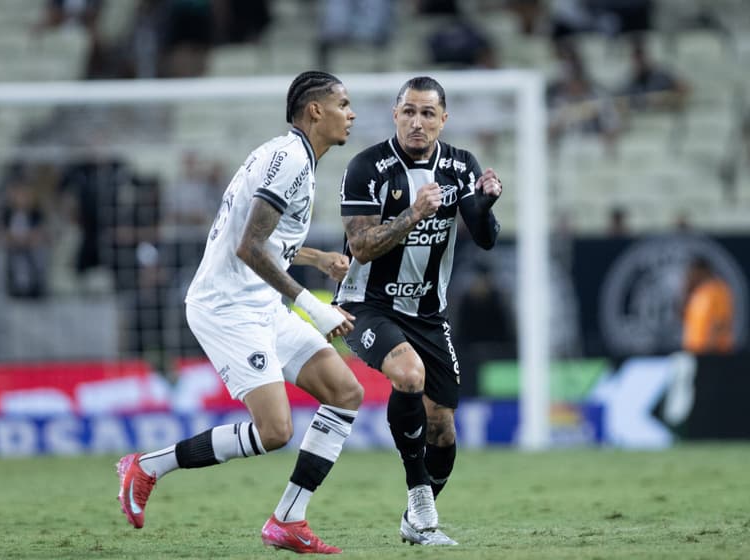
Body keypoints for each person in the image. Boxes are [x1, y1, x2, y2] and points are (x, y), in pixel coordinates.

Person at [116, 71, 362, 555]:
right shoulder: (290, 159)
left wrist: (315, 258)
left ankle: (288, 520)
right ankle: (148, 467)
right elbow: (250, 247)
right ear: (315, 110)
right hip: (227, 307)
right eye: (343, 103)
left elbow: (257, 238)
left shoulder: (293, 158)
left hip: (261, 302)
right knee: (275, 431)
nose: (351, 113)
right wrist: (315, 308)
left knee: (345, 391)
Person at [334, 76, 503, 546]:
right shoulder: (367, 167)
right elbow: (361, 248)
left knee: (443, 429)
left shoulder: (459, 164)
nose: (417, 121)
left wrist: (486, 202)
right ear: (395, 114)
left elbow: (484, 237)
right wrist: (413, 213)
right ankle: (420, 500)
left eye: (428, 113)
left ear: (443, 120)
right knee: (409, 376)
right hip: (367, 304)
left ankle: (415, 516)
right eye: (408, 111)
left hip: (428, 312)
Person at [682, 256, 735, 354]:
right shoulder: (696, 292)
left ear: (704, 271)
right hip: (696, 351)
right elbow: (683, 317)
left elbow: (721, 322)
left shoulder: (718, 290)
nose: (692, 275)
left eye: (695, 271)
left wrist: (711, 348)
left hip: (715, 352)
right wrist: (686, 291)